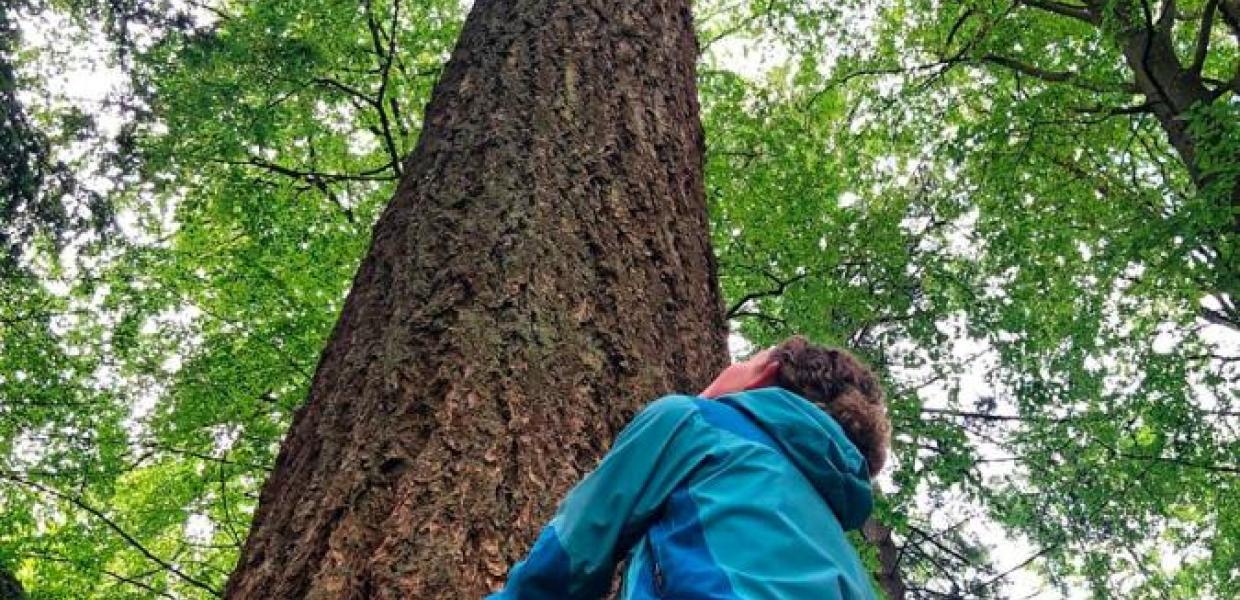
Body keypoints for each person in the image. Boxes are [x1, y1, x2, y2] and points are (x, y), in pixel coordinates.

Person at [487, 335, 891, 599]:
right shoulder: (852, 570)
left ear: (764, 372)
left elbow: (572, 553)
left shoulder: (695, 421)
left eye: (743, 360)